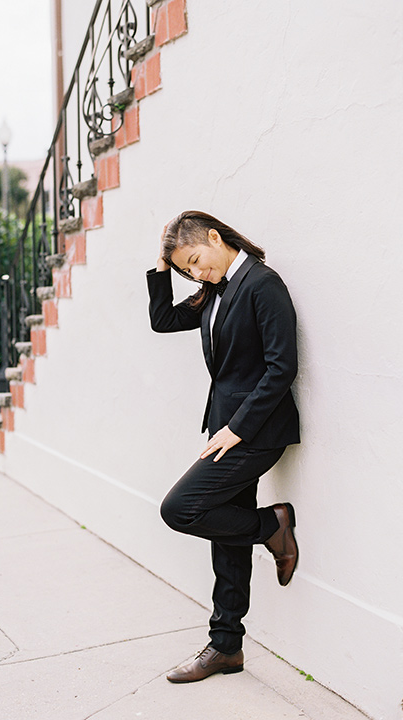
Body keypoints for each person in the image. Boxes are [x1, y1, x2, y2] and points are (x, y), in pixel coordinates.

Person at [146, 210, 300, 684]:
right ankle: (226, 646)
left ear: (216, 237)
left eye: (196, 260)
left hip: (255, 433)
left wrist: (237, 428)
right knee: (223, 535)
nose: (196, 273)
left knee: (180, 509)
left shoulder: (262, 284)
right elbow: (163, 320)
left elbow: (282, 367)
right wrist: (162, 264)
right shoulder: (213, 292)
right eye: (186, 270)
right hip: (225, 429)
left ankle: (273, 524)